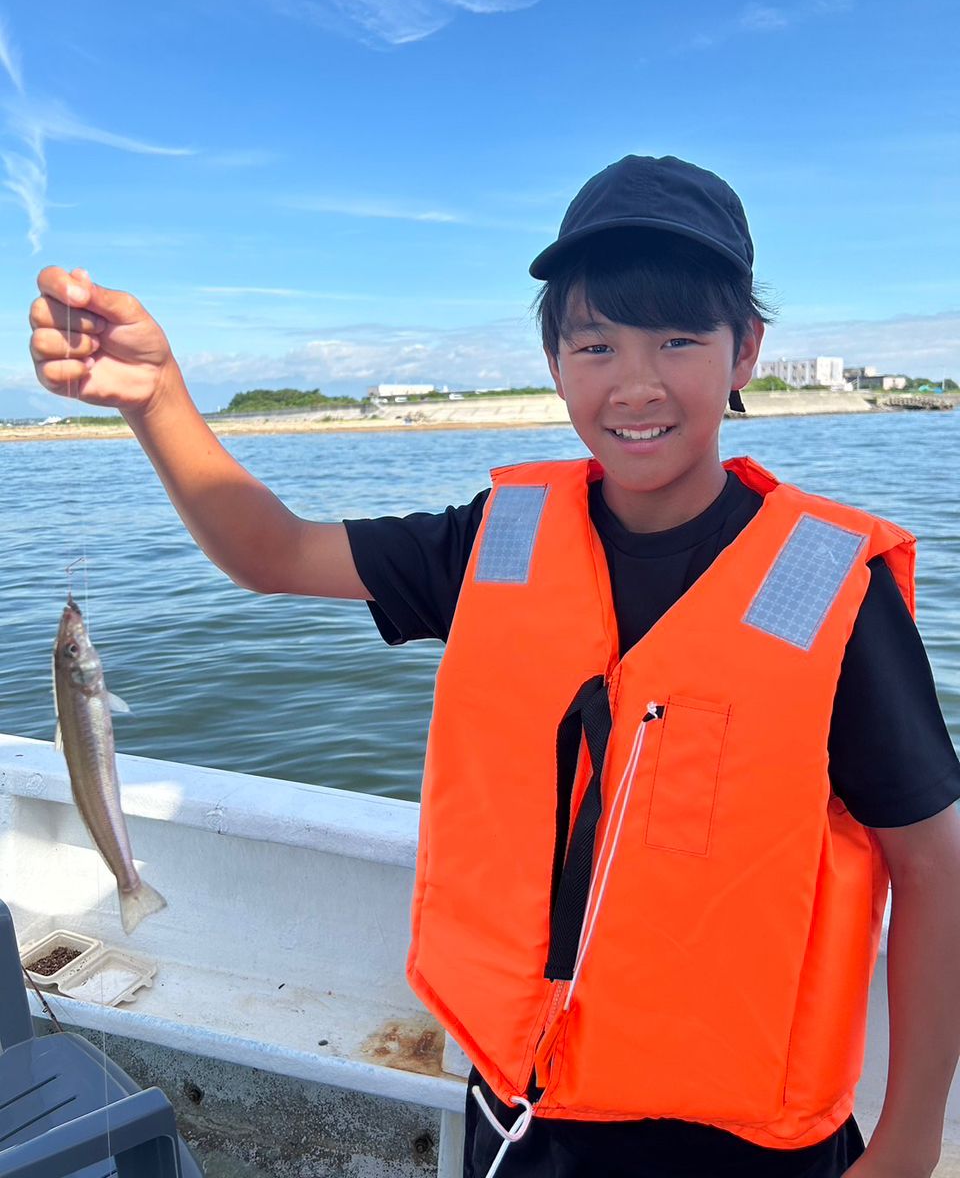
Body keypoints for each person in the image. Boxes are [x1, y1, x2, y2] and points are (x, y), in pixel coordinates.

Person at [29, 154, 960, 1178]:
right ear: (555, 360)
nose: (636, 382)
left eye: (680, 340)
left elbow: (933, 862)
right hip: (525, 1112)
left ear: (747, 352)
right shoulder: (494, 542)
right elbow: (272, 551)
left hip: (746, 1141)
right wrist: (154, 394)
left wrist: (910, 1137)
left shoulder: (827, 584)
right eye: (596, 343)